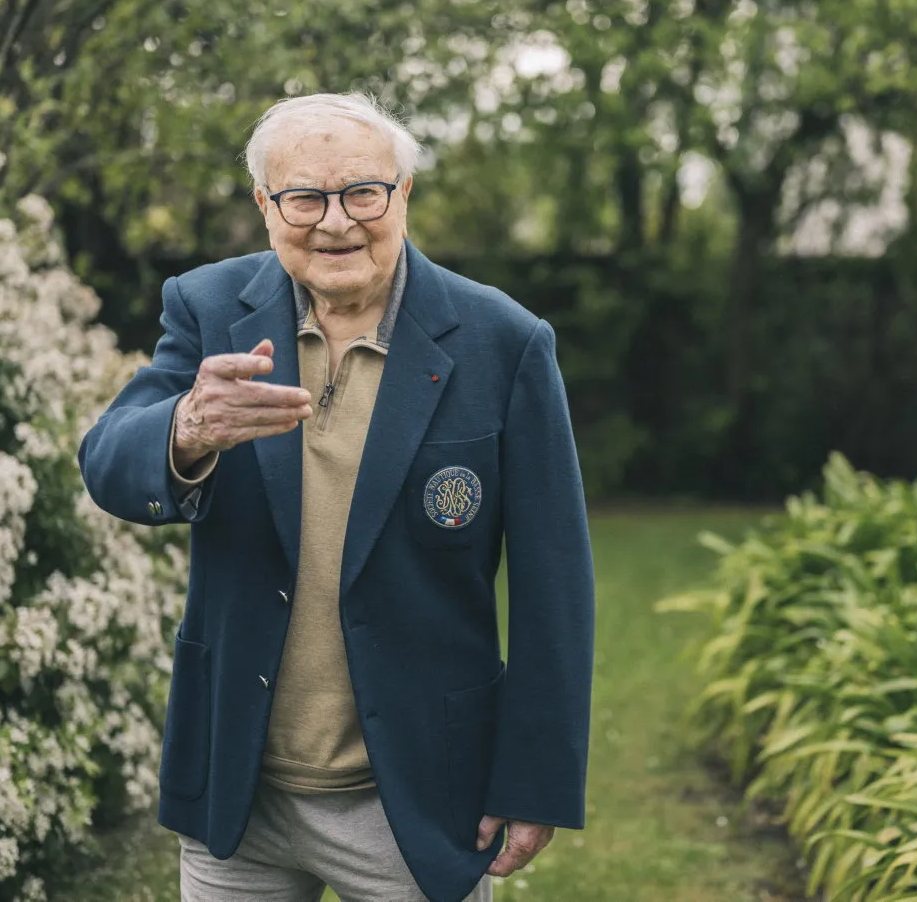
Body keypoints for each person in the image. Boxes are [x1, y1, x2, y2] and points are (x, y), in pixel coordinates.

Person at [77, 91, 596, 902]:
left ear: (403, 193)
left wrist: (536, 777)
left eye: (362, 192)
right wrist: (186, 428)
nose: (336, 222)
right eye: (304, 197)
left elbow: (553, 584)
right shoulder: (209, 309)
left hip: (415, 796)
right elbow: (108, 461)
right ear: (265, 205)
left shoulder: (504, 341)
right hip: (238, 789)